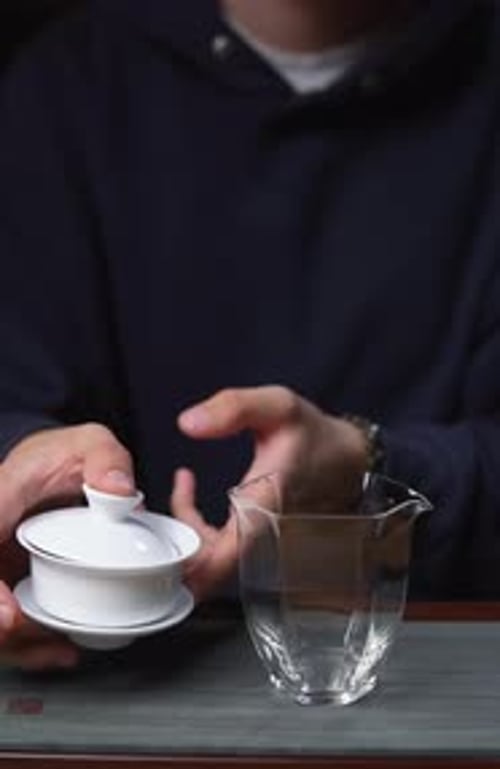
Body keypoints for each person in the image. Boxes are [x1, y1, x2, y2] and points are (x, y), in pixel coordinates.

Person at [0, 0, 498, 670]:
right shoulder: (67, 86)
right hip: (117, 684)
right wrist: (31, 474)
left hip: (445, 678)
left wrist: (365, 468)